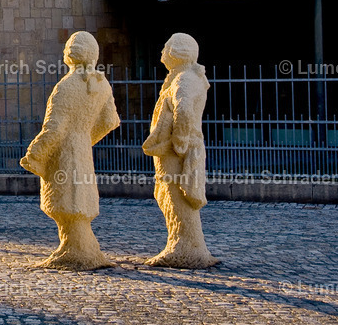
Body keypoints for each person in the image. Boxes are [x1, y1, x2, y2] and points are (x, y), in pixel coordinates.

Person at [20, 31, 120, 270]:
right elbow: (110, 121)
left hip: (64, 152)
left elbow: (54, 128)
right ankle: (79, 247)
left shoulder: (66, 86)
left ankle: (77, 251)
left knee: (66, 199)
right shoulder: (101, 83)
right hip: (82, 148)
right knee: (77, 198)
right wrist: (86, 139)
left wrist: (35, 153)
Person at [142, 32, 219, 268]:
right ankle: (185, 245)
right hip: (178, 150)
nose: (162, 52)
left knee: (175, 197)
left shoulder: (183, 79)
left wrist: (179, 144)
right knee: (170, 196)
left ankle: (184, 248)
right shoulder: (186, 77)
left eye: (166, 48)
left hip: (176, 154)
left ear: (177, 52)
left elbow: (183, 111)